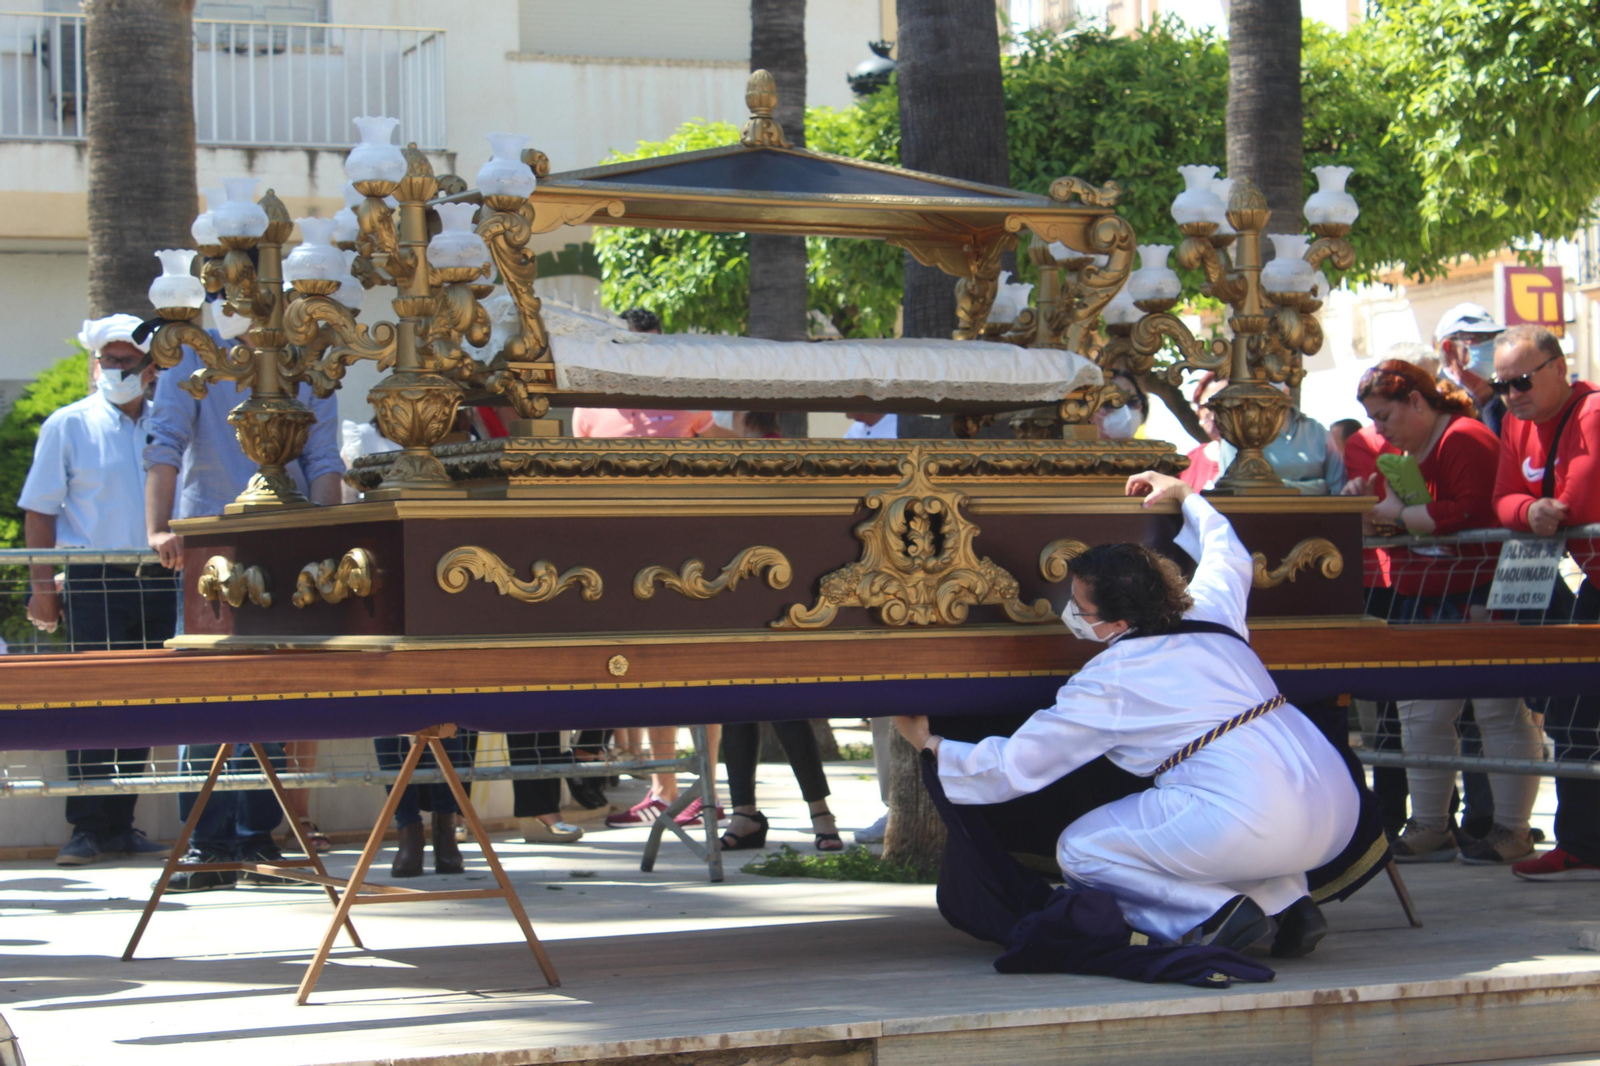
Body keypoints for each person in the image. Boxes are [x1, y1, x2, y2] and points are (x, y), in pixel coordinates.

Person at [896, 470, 1363, 953]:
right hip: (1336, 809)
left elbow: (1018, 764)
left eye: (1080, 606)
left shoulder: (1113, 677)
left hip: (1253, 819)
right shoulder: (1212, 609)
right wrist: (1185, 495)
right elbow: (1228, 550)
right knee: (1239, 825)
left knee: (1083, 850)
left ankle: (1217, 915)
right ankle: (1291, 907)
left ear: (1117, 622)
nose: (1071, 612)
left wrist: (930, 746)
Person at [144, 314, 345, 890]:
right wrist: (158, 528)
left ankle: (258, 841)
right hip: (209, 548)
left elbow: (324, 458)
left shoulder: (307, 359)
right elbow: (165, 441)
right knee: (206, 700)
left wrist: (326, 536)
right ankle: (206, 846)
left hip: (291, 548)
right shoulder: (195, 353)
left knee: (276, 699)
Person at [1351, 360, 1542, 864]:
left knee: (1498, 710)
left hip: (1478, 592)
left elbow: (1475, 510)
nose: (1379, 429)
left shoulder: (1464, 438)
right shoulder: (1410, 451)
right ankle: (1431, 824)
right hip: (1430, 594)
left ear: (1417, 401)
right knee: (1422, 712)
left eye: (1384, 416)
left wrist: (1397, 514)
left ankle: (1511, 830)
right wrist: (1381, 510)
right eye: (1373, 419)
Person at [20, 315, 175, 867]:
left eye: (127, 361)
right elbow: (39, 512)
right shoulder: (69, 424)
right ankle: (85, 827)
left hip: (161, 579)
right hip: (95, 579)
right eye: (108, 360)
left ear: (151, 369)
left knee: (142, 702)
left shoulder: (170, 423)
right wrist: (43, 590)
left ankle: (121, 824)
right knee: (92, 698)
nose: (115, 370)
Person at [579, 308, 724, 829]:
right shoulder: (593, 406)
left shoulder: (687, 400)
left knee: (700, 671)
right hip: (621, 556)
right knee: (650, 671)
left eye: (655, 347)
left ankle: (705, 790)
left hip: (687, 551)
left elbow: (719, 448)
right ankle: (665, 786)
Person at [1490, 325, 1600, 882]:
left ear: (1559, 367)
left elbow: (1575, 500)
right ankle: (1580, 840)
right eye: (1501, 385)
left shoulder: (1592, 412)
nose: (1512, 395)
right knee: (1571, 714)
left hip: (1587, 579)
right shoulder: (1515, 424)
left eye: (1523, 380)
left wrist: (1530, 509)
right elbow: (1503, 498)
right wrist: (1527, 512)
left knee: (1575, 710)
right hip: (1591, 583)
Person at [1219, 385, 1345, 494]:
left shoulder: (1317, 431)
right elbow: (1239, 492)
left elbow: (1339, 492)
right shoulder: (1237, 435)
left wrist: (1274, 486)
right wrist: (1319, 487)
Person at [1434, 303, 1506, 435]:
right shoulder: (1437, 404)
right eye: (1481, 337)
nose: (1490, 344)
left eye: (1494, 336)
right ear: (1449, 348)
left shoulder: (1507, 391)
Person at [1180, 373, 1226, 492]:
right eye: (1207, 404)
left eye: (1223, 404)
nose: (1213, 412)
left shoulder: (1263, 460)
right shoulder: (1187, 463)